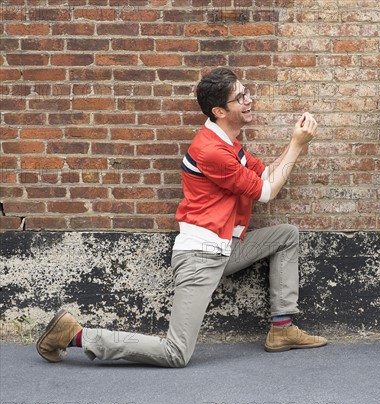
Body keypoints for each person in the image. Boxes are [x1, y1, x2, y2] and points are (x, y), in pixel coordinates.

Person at [36, 67, 327, 367]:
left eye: (246, 92)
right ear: (219, 111)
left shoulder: (229, 143)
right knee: (175, 353)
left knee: (286, 235)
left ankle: (281, 330)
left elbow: (266, 174)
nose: (248, 100)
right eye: (240, 97)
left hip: (225, 247)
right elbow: (267, 192)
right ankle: (74, 335)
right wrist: (296, 145)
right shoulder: (211, 150)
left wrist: (296, 146)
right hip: (199, 257)